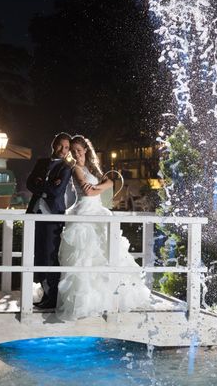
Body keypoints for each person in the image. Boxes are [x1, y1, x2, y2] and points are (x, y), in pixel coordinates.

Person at [56, 135, 151, 321]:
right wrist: (104, 185)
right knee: (85, 256)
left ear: (85, 150)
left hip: (98, 211)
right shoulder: (75, 168)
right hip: (83, 211)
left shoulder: (92, 168)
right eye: (73, 151)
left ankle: (110, 299)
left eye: (79, 150)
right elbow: (88, 191)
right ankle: (85, 303)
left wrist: (103, 185)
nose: (76, 153)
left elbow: (109, 182)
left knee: (108, 254)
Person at [26, 132, 74, 309]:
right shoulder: (41, 163)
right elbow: (29, 184)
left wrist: (41, 186)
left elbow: (56, 192)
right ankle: (45, 293)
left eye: (67, 147)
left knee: (49, 255)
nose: (63, 150)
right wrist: (46, 186)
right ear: (54, 145)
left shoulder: (66, 168)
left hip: (53, 216)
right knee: (37, 255)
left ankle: (52, 296)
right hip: (34, 213)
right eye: (61, 146)